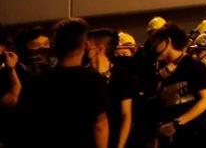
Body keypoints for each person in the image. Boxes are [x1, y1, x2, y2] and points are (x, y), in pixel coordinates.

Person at [16, 18, 108, 148]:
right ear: (85, 45)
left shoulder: (34, 81)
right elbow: (100, 125)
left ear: (54, 46)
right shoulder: (94, 79)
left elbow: (23, 125)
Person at [148, 23, 206, 147]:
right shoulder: (163, 73)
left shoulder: (193, 66)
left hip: (193, 137)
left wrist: (176, 124)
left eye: (156, 42)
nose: (153, 48)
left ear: (167, 41)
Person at [87, 29, 136, 148]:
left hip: (114, 138)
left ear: (99, 48)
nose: (85, 49)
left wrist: (120, 145)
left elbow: (126, 115)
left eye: (89, 45)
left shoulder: (122, 75)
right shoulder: (84, 75)